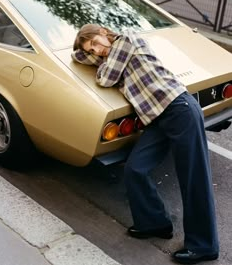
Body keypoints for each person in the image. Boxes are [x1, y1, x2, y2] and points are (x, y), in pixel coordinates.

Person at [71, 23, 219, 264]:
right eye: (92, 50)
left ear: (104, 32)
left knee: (194, 180)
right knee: (135, 169)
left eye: (96, 43)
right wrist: (87, 50)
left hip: (179, 110)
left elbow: (105, 79)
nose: (97, 51)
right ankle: (155, 223)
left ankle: (204, 246)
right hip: (157, 119)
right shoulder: (109, 55)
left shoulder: (126, 39)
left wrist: (98, 57)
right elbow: (76, 55)